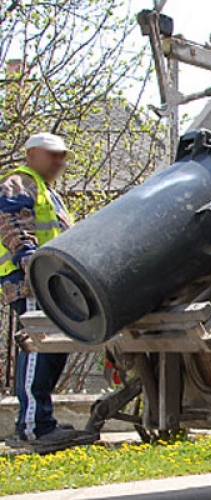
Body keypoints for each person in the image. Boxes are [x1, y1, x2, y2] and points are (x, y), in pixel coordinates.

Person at [2, 133, 96, 452]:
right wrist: (30, 260)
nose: (60, 161)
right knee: (39, 350)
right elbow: (11, 225)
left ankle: (42, 421)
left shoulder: (47, 192)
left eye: (63, 156)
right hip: (32, 282)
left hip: (52, 284)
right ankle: (31, 428)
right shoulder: (18, 184)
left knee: (54, 349)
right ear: (31, 154)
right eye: (53, 155)